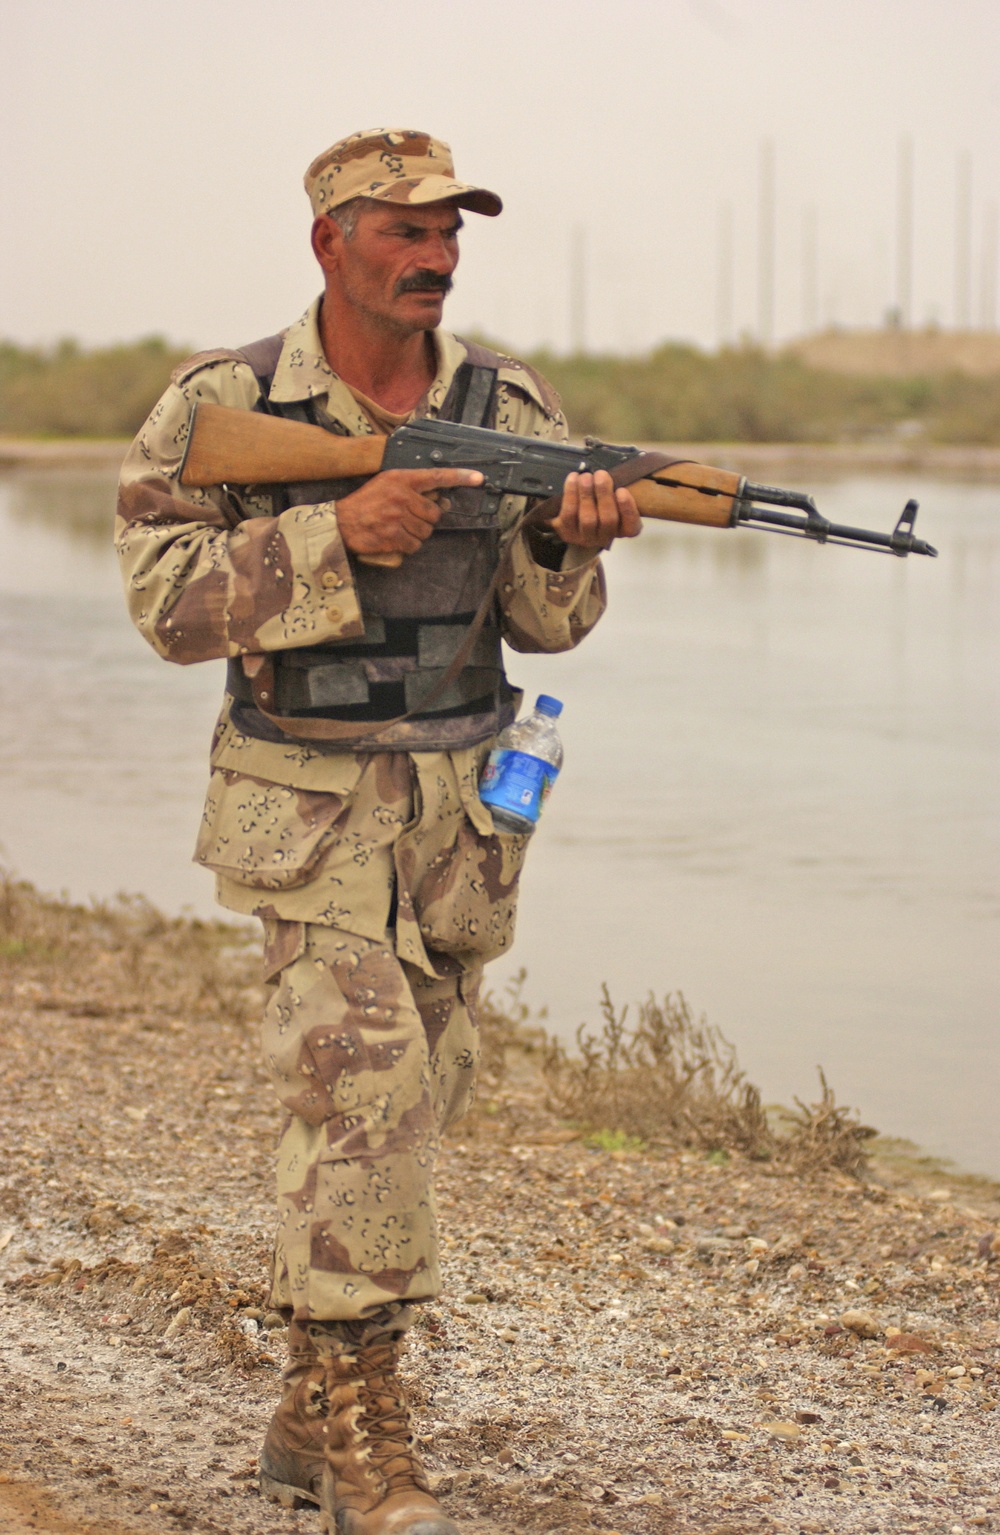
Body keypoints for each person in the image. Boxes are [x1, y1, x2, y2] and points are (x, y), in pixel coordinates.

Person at [116, 127, 640, 1535]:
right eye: (404, 230)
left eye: (451, 230)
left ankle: (304, 1403)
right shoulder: (227, 401)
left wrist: (573, 538)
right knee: (364, 1104)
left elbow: (548, 628)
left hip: (459, 822)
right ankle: (369, 1449)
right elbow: (167, 607)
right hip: (306, 808)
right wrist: (342, 532)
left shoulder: (506, 400)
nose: (437, 255)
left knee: (419, 1102)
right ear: (329, 243)